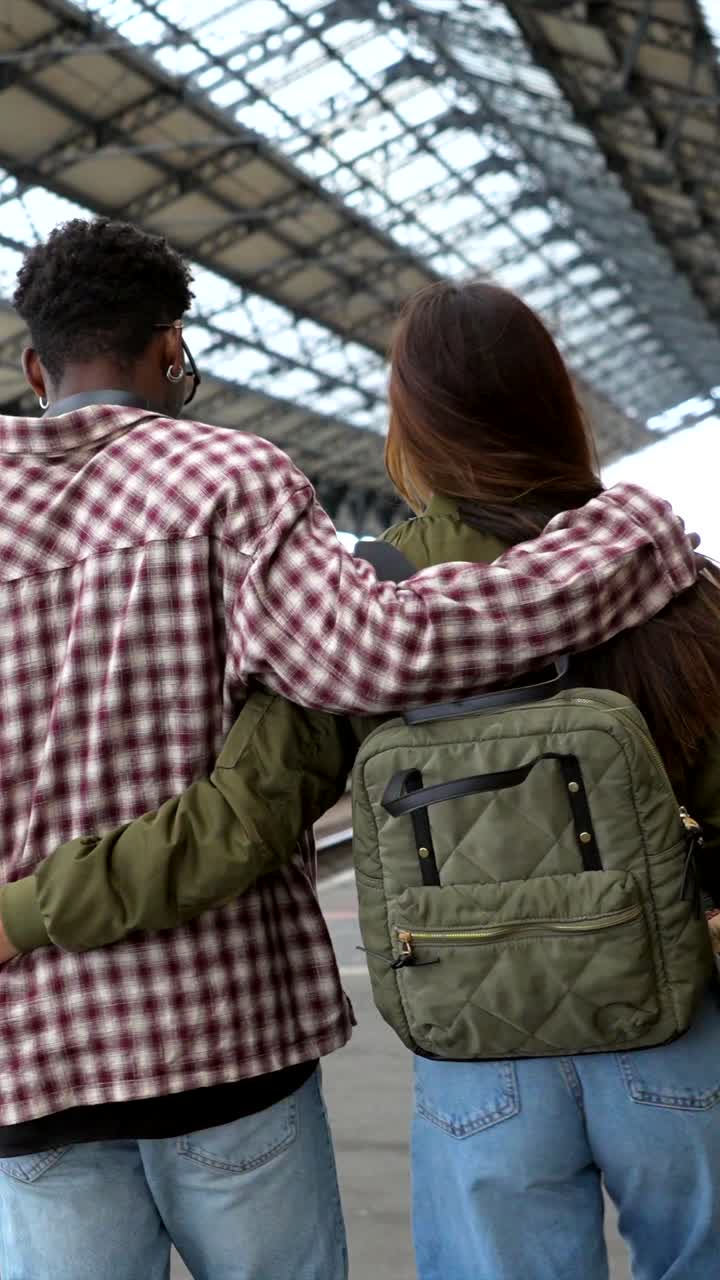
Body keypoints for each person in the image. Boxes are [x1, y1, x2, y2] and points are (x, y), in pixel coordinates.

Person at [0, 278, 715, 1279]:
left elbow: (234, 825)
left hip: (481, 1047)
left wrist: (30, 909)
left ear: (411, 423)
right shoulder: (669, 571)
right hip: (678, 1024)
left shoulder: (363, 594)